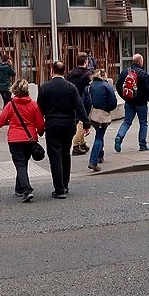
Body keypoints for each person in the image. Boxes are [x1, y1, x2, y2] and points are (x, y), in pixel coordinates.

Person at [37, 60, 91, 199]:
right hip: (68, 125)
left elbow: (39, 110)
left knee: (55, 157)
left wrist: (39, 127)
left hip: (52, 124)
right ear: (64, 71)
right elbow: (79, 106)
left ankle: (59, 188)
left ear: (52, 70)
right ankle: (65, 184)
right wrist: (85, 123)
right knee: (66, 155)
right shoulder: (71, 87)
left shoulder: (44, 88)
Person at [0, 78, 45, 203]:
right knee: (23, 163)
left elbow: (2, 119)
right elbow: (40, 123)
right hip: (29, 139)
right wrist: (41, 132)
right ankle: (19, 188)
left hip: (14, 139)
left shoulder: (11, 105)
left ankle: (26, 189)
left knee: (20, 163)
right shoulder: (33, 105)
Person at [113, 53, 149, 152]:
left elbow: (119, 86)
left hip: (129, 102)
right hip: (141, 103)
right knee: (143, 123)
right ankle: (142, 144)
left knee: (127, 122)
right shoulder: (143, 74)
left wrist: (125, 97)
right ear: (140, 62)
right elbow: (148, 90)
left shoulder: (125, 72)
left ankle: (119, 136)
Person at [85, 70, 118, 172]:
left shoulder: (89, 87)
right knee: (99, 137)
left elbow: (84, 102)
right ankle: (93, 161)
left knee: (99, 134)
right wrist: (107, 109)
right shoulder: (106, 86)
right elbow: (113, 102)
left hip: (92, 114)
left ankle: (100, 155)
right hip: (103, 115)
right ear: (104, 76)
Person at [66, 52, 93, 156]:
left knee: (78, 121)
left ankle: (82, 143)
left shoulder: (70, 74)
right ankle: (76, 145)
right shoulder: (88, 74)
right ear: (86, 61)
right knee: (82, 122)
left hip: (72, 100)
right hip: (83, 100)